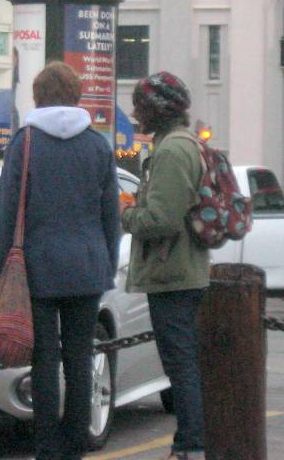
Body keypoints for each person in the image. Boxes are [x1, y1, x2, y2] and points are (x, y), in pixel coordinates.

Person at [0, 61, 120, 460]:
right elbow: (110, 215)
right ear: (77, 95)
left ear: (38, 95)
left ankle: (46, 445)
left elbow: (8, 213)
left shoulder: (25, 142)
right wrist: (107, 264)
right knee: (80, 360)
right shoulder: (98, 145)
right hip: (87, 265)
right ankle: (75, 444)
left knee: (44, 360)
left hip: (37, 268)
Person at [120, 71, 210, 460]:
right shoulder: (177, 145)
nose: (135, 113)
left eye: (140, 106)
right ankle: (191, 442)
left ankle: (190, 445)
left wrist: (125, 213)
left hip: (172, 273)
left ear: (158, 109)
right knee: (181, 362)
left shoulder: (172, 151)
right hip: (178, 270)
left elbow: (162, 220)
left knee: (181, 365)